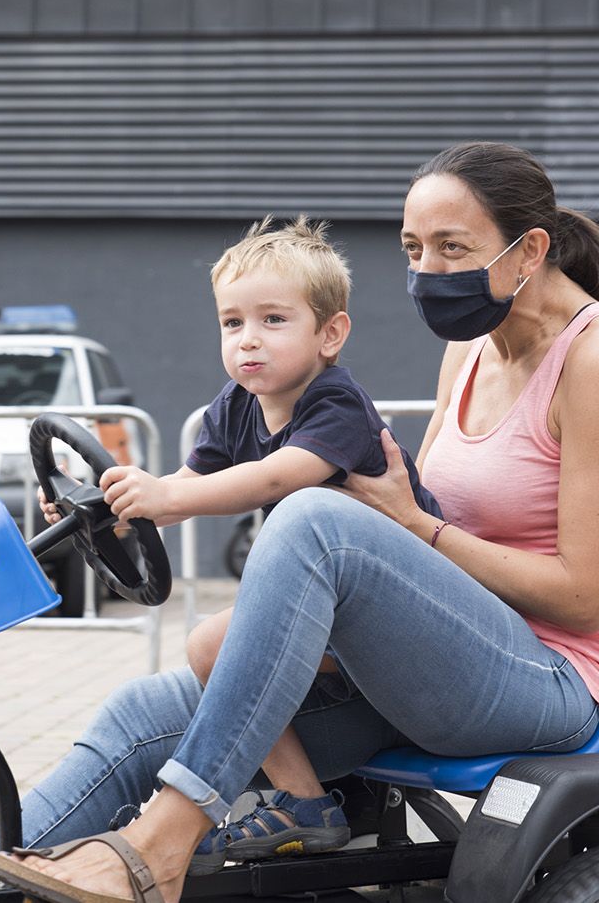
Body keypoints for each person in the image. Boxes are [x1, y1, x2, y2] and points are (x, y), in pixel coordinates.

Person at [0, 142, 599, 903]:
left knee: (318, 516)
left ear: (529, 250)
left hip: (544, 680)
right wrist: (119, 509)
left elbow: (583, 597)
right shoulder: (472, 352)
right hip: (430, 661)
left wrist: (415, 528)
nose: (428, 272)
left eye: (452, 248)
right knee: (144, 713)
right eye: (413, 249)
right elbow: (407, 535)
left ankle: (162, 844)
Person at [61, 214, 444, 872]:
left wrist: (165, 499)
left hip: (406, 616)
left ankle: (280, 808)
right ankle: (299, 802)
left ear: (330, 334)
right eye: (232, 323)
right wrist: (107, 509)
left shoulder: (337, 405)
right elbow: (183, 485)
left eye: (273, 320)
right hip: (336, 615)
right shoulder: (236, 404)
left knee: (211, 642)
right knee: (211, 644)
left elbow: (277, 476)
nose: (248, 340)